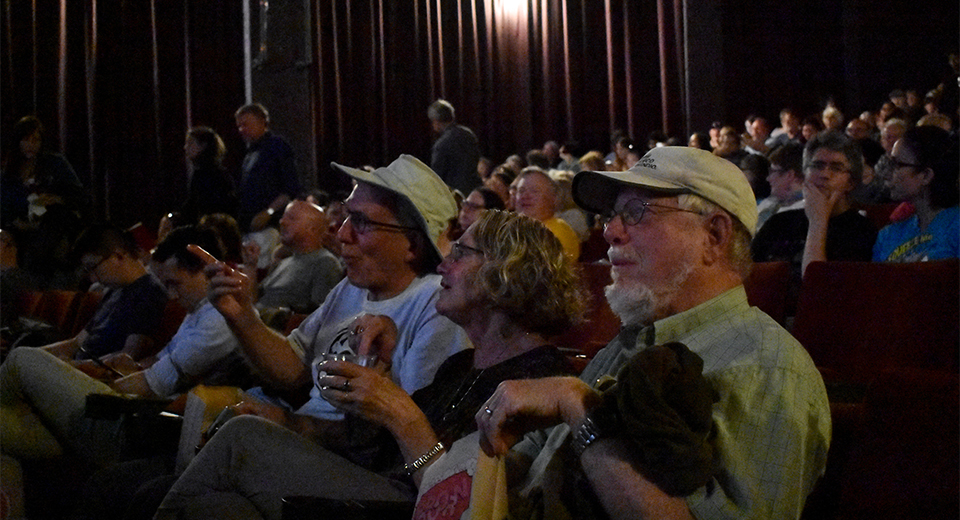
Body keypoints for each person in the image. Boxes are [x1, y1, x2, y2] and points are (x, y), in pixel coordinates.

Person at [474, 146, 831, 519]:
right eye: (613, 215)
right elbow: (528, 465)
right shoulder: (633, 339)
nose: (610, 231)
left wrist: (578, 408)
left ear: (713, 235)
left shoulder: (768, 367)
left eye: (636, 213)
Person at [153, 210, 583, 519]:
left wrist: (400, 413)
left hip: (402, 507)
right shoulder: (461, 366)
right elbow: (373, 449)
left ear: (506, 274)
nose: (443, 263)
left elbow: (470, 503)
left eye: (462, 252)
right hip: (371, 489)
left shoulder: (539, 383)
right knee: (216, 507)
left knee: (240, 440)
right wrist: (296, 420)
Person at [0, 226, 254, 468]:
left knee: (22, 358)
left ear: (204, 270)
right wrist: (122, 367)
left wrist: (90, 378)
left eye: (174, 283)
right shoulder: (198, 311)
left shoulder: (219, 319)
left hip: (137, 426)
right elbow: (153, 364)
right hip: (134, 415)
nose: (172, 296)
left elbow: (153, 386)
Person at [752, 131, 877, 276]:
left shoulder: (862, 232)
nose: (824, 174)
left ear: (851, 182)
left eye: (836, 168)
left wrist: (818, 221)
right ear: (805, 174)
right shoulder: (779, 222)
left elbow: (817, 288)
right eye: (817, 165)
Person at [42, 224, 169, 362]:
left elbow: (128, 356)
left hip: (96, 376)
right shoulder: (113, 291)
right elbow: (76, 343)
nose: (93, 278)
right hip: (78, 368)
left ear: (118, 255)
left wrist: (77, 367)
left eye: (93, 267)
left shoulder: (150, 292)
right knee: (21, 355)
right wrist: (40, 356)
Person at [1, 116, 89, 287]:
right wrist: (16, 224)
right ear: (17, 141)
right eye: (26, 140)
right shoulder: (7, 175)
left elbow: (81, 197)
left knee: (54, 225)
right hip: (21, 230)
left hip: (55, 226)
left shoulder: (54, 163)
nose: (31, 145)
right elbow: (4, 211)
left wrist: (56, 199)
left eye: (36, 140)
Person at [873, 126, 959, 262]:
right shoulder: (888, 235)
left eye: (897, 164)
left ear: (926, 175)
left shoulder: (955, 227)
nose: (888, 174)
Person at [247, 200, 344, 315]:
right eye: (283, 217)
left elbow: (320, 317)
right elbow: (251, 302)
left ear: (312, 229)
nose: (282, 222)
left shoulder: (325, 263)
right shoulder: (282, 262)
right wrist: (250, 265)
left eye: (291, 218)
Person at [234, 103, 302, 233]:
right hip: (250, 225)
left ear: (262, 122)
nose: (241, 130)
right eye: (239, 126)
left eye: (245, 124)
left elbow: (290, 188)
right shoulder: (249, 152)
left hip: (271, 225)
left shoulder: (277, 147)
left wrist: (268, 212)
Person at [514, 167, 581, 260]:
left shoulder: (557, 233)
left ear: (553, 198)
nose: (525, 196)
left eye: (534, 191)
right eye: (521, 190)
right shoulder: (512, 229)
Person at [179, 127, 238, 224]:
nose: (185, 147)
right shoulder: (215, 172)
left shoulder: (206, 174)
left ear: (203, 146)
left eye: (190, 143)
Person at [427, 99, 481, 196]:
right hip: (475, 190)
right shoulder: (469, 134)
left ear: (436, 121)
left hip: (454, 196)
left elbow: (437, 177)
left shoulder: (441, 144)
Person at [756, 143, 805, 231]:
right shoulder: (771, 203)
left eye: (772, 172)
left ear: (789, 175)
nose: (768, 179)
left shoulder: (799, 215)